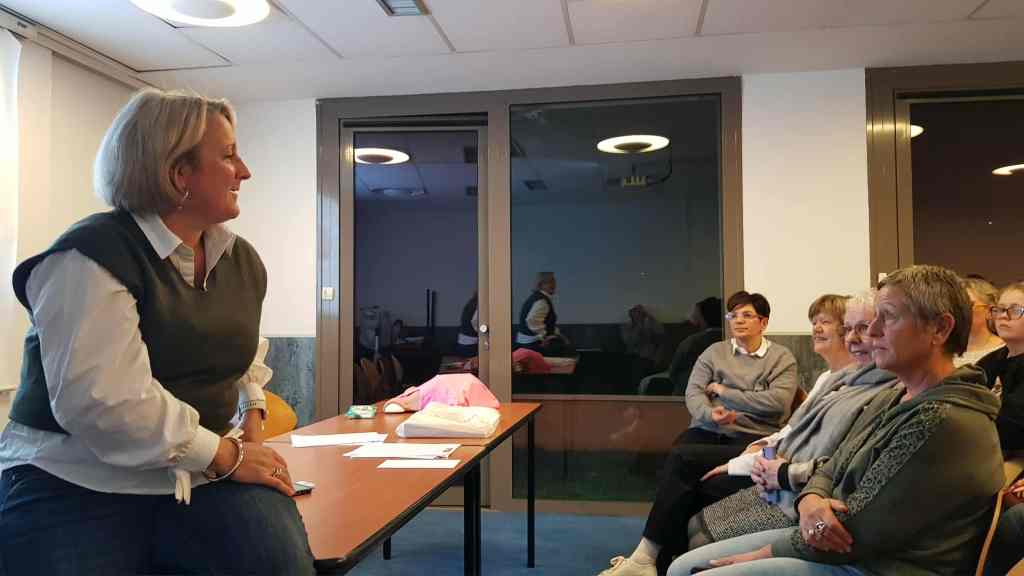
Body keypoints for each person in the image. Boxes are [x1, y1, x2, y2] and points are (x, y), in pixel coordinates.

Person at [0, 89, 315, 574]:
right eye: (228, 156)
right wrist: (226, 455)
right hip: (75, 477)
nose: (244, 172)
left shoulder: (241, 260)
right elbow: (106, 402)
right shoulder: (86, 258)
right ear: (178, 173)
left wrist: (251, 412)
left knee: (280, 564)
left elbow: (241, 349)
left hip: (200, 470)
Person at [667, 265, 1003, 576]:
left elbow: (857, 529)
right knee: (682, 566)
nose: (872, 332)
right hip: (831, 539)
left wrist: (767, 551)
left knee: (691, 572)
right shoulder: (895, 396)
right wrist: (811, 500)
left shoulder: (941, 419)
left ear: (939, 328)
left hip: (879, 566)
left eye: (887, 317)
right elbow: (834, 465)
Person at [598, 291, 798, 576]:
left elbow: (777, 403)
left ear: (763, 323)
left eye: (747, 315)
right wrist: (710, 413)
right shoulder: (714, 352)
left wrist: (724, 392)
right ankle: (660, 563)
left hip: (751, 441)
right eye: (733, 315)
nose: (738, 321)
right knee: (679, 460)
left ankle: (647, 559)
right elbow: (693, 393)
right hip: (708, 430)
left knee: (683, 468)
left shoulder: (781, 358)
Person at [688, 291, 898, 551]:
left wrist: (724, 393)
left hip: (798, 490)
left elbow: (778, 408)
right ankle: (651, 554)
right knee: (692, 504)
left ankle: (654, 557)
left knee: (698, 531)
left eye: (863, 328)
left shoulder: (882, 391)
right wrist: (757, 452)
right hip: (781, 470)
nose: (852, 338)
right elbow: (794, 430)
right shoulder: (840, 380)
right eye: (848, 328)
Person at [979, 281, 1024, 575]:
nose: (1004, 316)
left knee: (1012, 523)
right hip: (988, 455)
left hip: (1013, 458)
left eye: (1015, 310)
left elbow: (1014, 426)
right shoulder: (990, 362)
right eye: (999, 309)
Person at [516, 271, 572, 355]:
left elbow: (542, 324)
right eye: (549, 282)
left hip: (525, 342)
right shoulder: (541, 301)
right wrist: (544, 337)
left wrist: (557, 334)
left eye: (553, 281)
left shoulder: (537, 297)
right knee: (569, 351)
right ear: (540, 285)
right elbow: (532, 321)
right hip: (531, 344)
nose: (553, 285)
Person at [957, 277, 1004, 366]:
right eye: (956, 305)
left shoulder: (1006, 350)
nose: (960, 311)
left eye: (968, 304)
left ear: (990, 311)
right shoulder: (944, 349)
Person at [455, 291, 480, 357]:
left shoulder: (470, 303)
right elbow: (474, 322)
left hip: (462, 342)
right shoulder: (478, 304)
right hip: (471, 344)